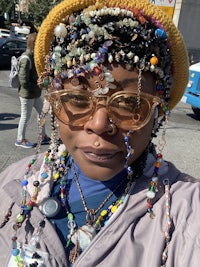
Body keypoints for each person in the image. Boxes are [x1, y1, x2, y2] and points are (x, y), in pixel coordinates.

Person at [0, 0, 199, 266]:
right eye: (77, 99)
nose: (98, 124)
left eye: (130, 103)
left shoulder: (186, 212)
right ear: (55, 100)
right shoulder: (13, 184)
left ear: (157, 113)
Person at [15, 32, 50, 148]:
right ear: (33, 44)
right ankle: (20, 139)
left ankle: (43, 136)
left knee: (42, 113)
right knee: (25, 116)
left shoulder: (33, 56)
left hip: (34, 93)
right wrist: (37, 86)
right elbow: (23, 80)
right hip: (27, 94)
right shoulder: (26, 58)